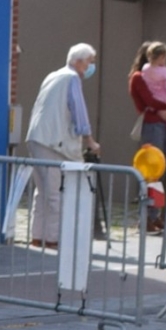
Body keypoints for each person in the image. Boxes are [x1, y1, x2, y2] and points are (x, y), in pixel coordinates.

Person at [24, 43, 97, 247]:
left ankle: (38, 236)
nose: (90, 67)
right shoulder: (71, 78)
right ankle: (52, 238)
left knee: (43, 192)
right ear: (79, 61)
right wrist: (89, 140)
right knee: (55, 194)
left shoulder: (53, 76)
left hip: (37, 137)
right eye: (89, 62)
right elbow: (78, 111)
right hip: (52, 141)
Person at [130, 42, 166, 232]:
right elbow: (146, 100)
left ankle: (155, 214)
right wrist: (163, 109)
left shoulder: (161, 74)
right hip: (152, 123)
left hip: (165, 121)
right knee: (151, 170)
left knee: (160, 171)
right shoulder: (138, 77)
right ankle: (145, 216)